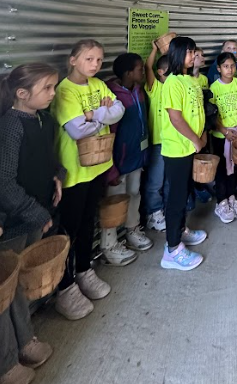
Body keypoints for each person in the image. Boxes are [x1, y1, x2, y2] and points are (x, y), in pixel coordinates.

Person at [51, 39, 125, 320]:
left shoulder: (98, 85)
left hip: (97, 167)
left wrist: (93, 115)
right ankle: (65, 287)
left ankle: (84, 271)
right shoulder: (64, 91)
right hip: (74, 173)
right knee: (69, 229)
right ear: (72, 60)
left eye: (98, 59)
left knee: (87, 224)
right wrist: (102, 118)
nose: (95, 64)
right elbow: (76, 131)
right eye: (89, 59)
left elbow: (120, 110)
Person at [0, 64, 62, 384]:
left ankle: (26, 342)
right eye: (47, 89)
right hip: (13, 221)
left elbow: (44, 159)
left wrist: (55, 176)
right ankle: (7, 362)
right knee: (3, 296)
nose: (53, 94)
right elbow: (5, 184)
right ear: (22, 94)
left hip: (35, 214)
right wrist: (36, 213)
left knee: (21, 287)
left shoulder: (41, 118)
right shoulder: (11, 126)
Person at [160, 37, 207, 271]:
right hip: (178, 148)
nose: (193, 55)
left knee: (185, 193)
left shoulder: (191, 80)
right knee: (176, 200)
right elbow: (175, 118)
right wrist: (196, 139)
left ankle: (180, 231)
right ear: (178, 54)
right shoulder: (172, 82)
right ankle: (172, 250)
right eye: (189, 52)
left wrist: (202, 135)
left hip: (190, 146)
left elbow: (196, 111)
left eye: (194, 51)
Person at [101, 53, 152, 256]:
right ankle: (109, 243)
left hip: (136, 157)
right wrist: (111, 167)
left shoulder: (138, 91)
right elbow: (109, 134)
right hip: (119, 161)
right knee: (113, 203)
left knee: (134, 195)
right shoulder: (112, 95)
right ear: (129, 73)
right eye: (140, 69)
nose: (142, 72)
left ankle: (132, 230)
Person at [210, 52, 237, 214]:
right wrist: (224, 131)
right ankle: (221, 202)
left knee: (234, 167)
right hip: (222, 136)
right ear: (219, 68)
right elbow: (212, 114)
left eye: (232, 66)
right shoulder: (214, 88)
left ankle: (232, 198)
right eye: (226, 66)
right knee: (222, 168)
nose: (229, 69)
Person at [144, 44, 170, 232]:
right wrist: (155, 50)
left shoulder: (175, 88)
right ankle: (154, 213)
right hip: (158, 143)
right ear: (160, 72)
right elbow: (147, 67)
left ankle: (167, 210)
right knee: (155, 181)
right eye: (168, 73)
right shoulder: (155, 88)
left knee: (168, 180)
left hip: (173, 143)